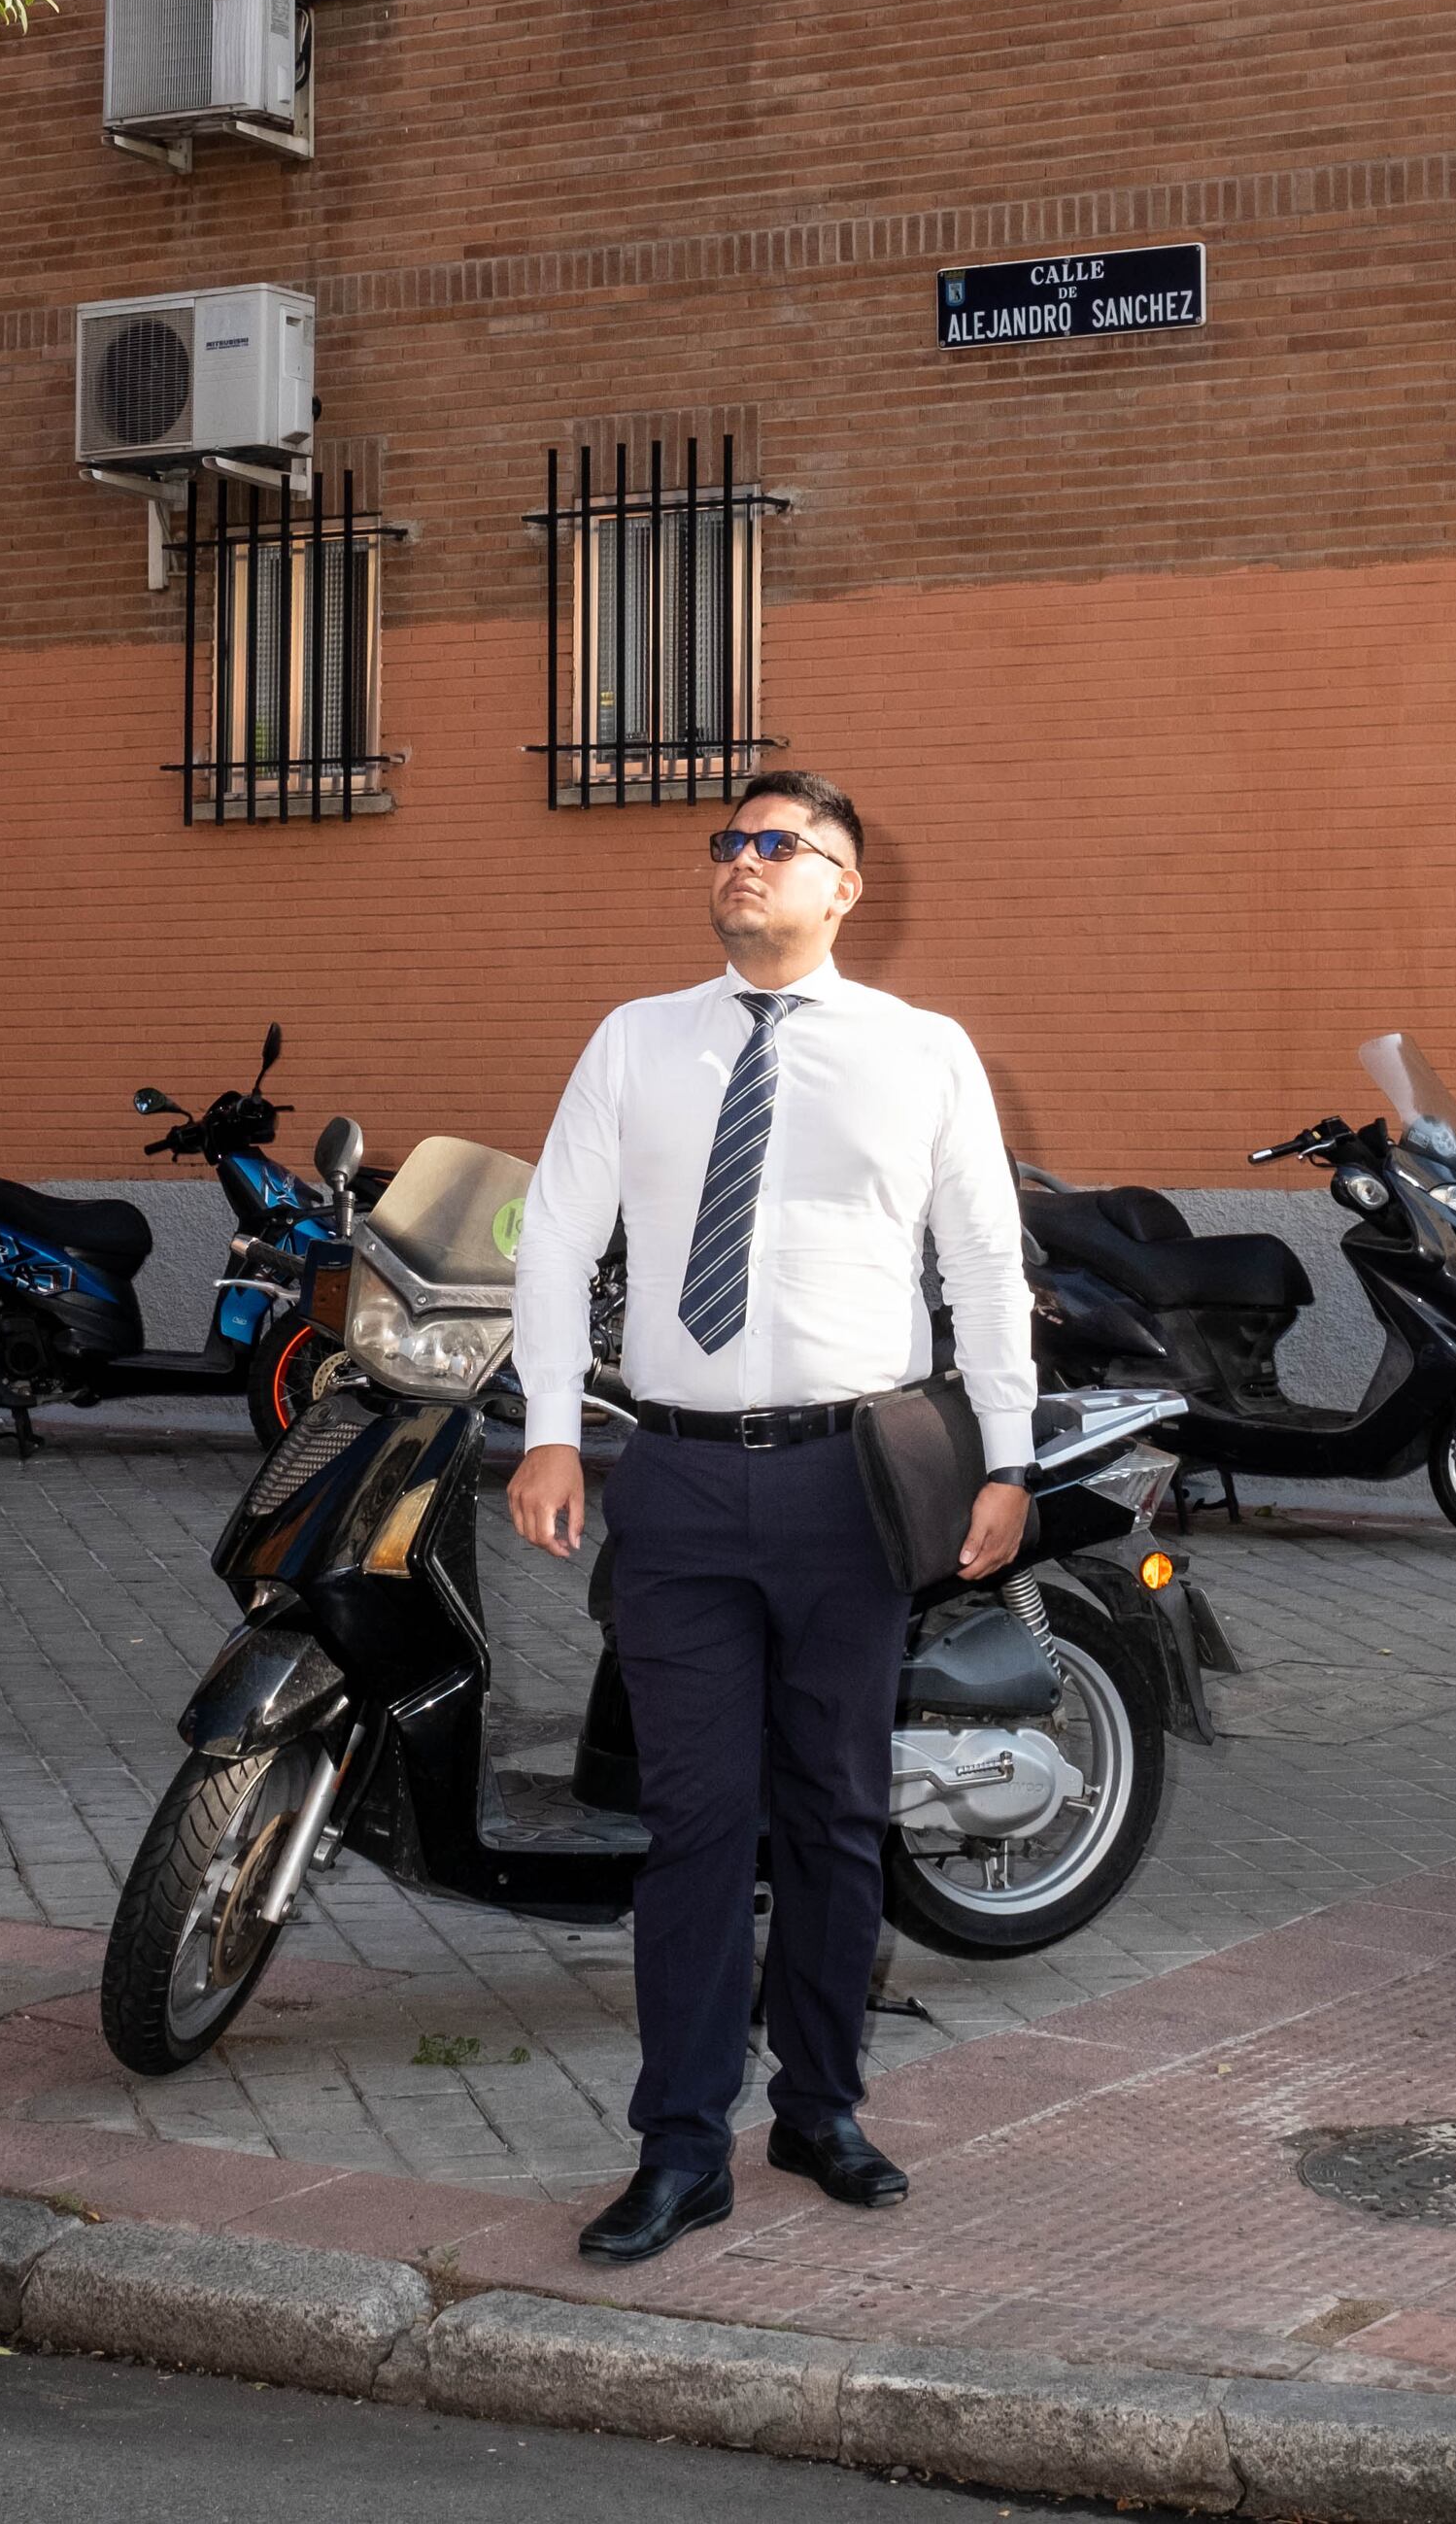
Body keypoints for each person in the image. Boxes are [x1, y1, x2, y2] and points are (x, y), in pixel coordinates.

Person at [506, 771, 1035, 2266]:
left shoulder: (922, 1054)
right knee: (691, 1823)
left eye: (776, 844)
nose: (741, 861)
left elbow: (984, 1264)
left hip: (847, 1482)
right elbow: (555, 1234)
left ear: (844, 886)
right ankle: (682, 2146)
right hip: (672, 1480)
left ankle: (820, 2105)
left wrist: (1008, 1461)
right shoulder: (636, 1041)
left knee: (834, 1810)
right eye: (728, 842)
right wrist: (553, 1430)